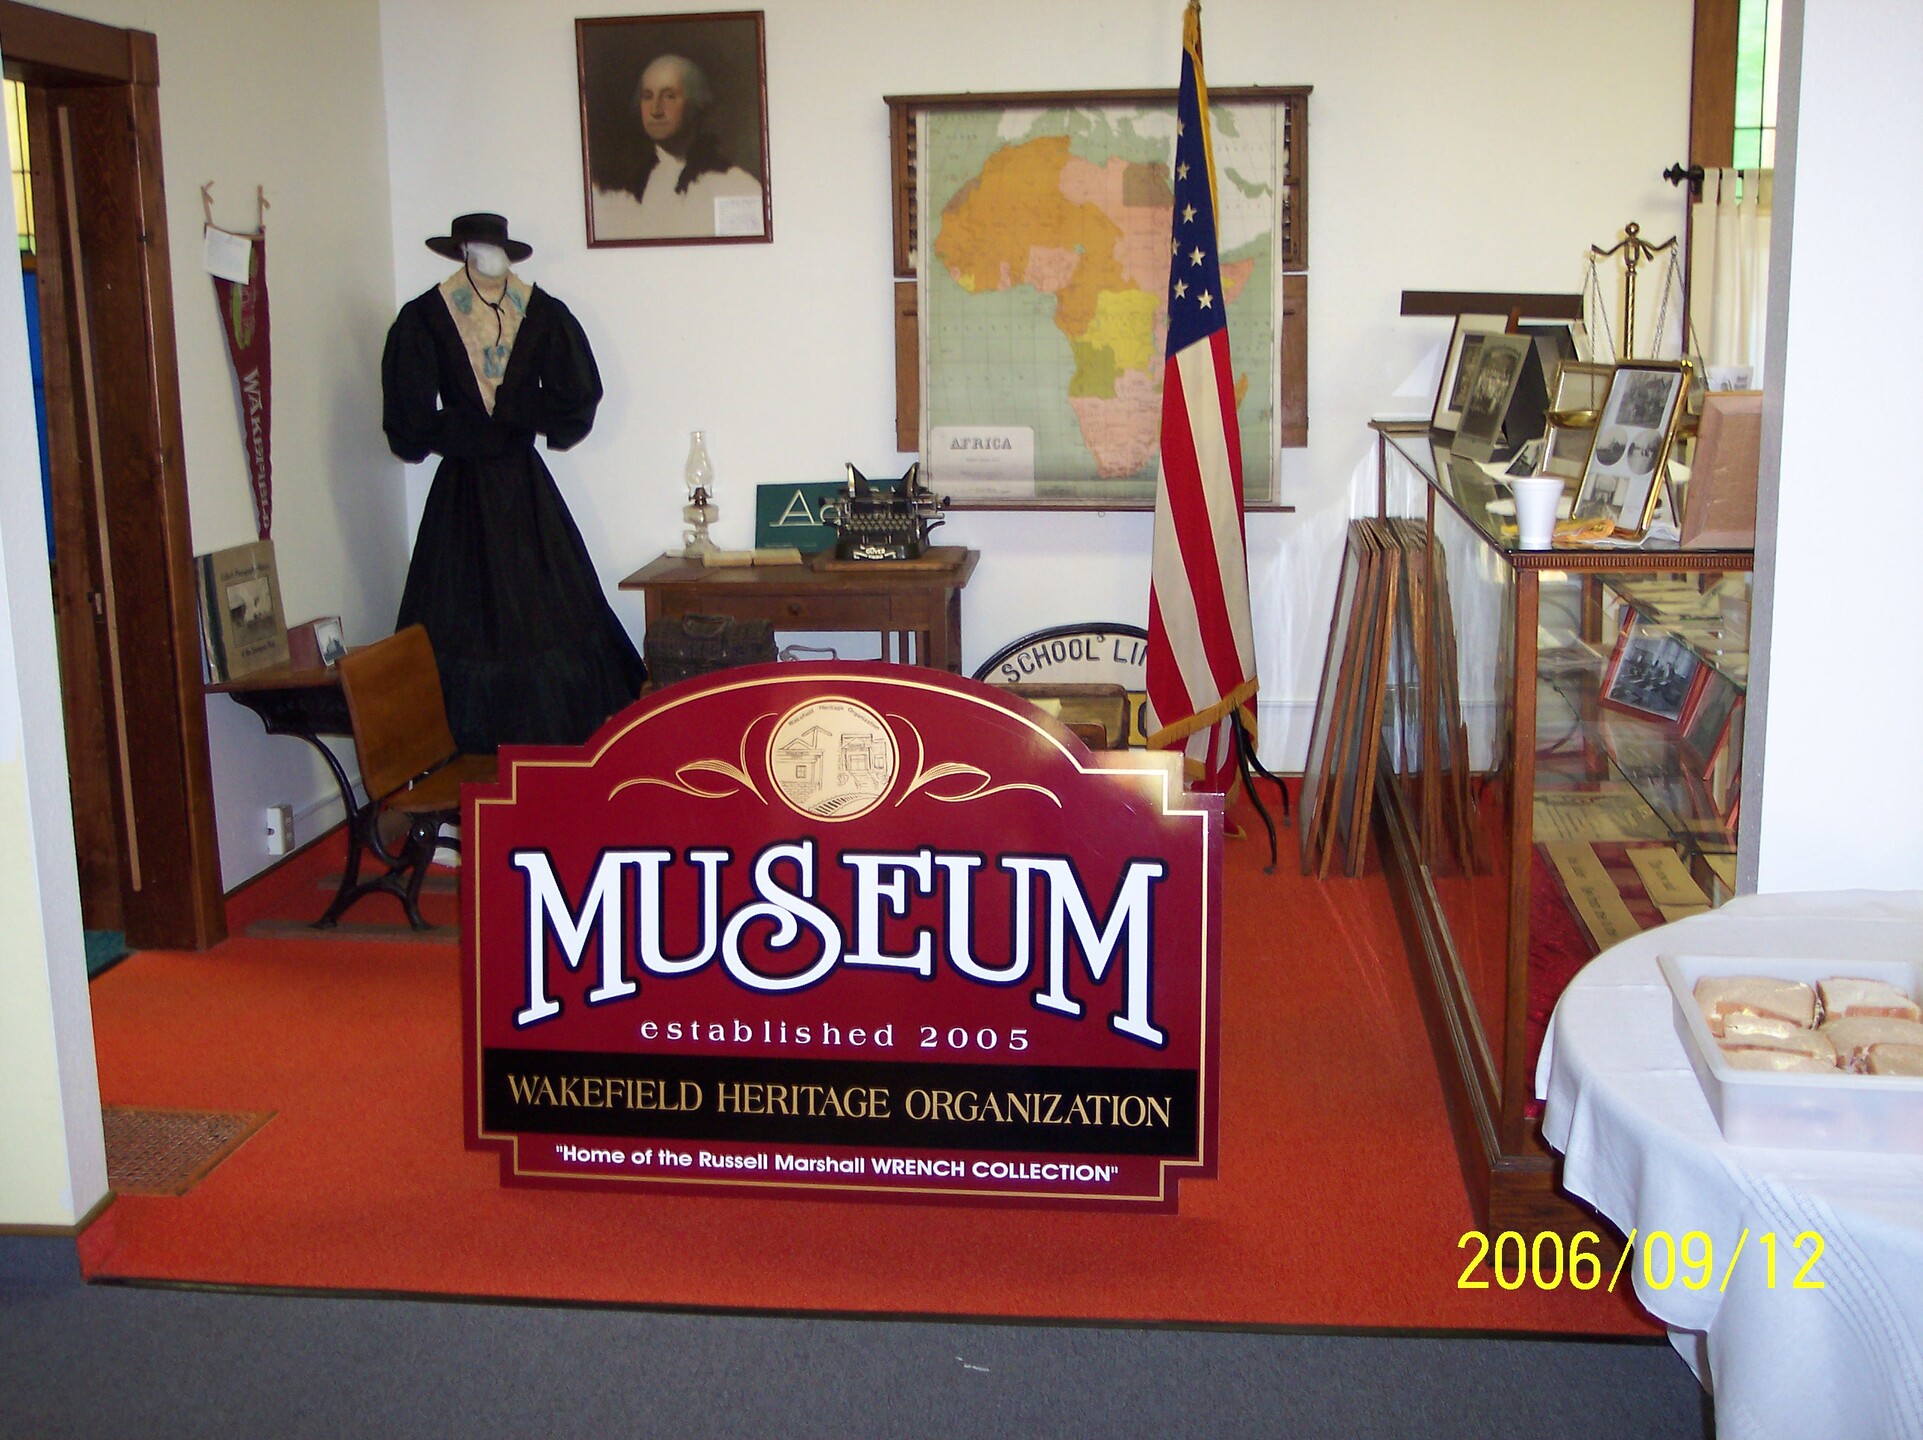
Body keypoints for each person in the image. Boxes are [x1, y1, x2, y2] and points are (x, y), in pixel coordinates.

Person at [381, 213, 644, 752]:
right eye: (479, 247)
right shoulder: (427, 315)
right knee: (458, 615)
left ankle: (554, 767)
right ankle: (467, 763)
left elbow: (577, 398)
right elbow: (407, 422)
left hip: (526, 496)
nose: (489, 256)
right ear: (464, 251)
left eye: (495, 246)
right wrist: (462, 430)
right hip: (462, 500)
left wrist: (520, 412)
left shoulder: (540, 311)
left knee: (547, 615)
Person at [591, 54, 765, 240]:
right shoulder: (617, 188)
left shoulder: (735, 185)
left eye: (669, 96)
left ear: (696, 103)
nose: (655, 110)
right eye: (648, 97)